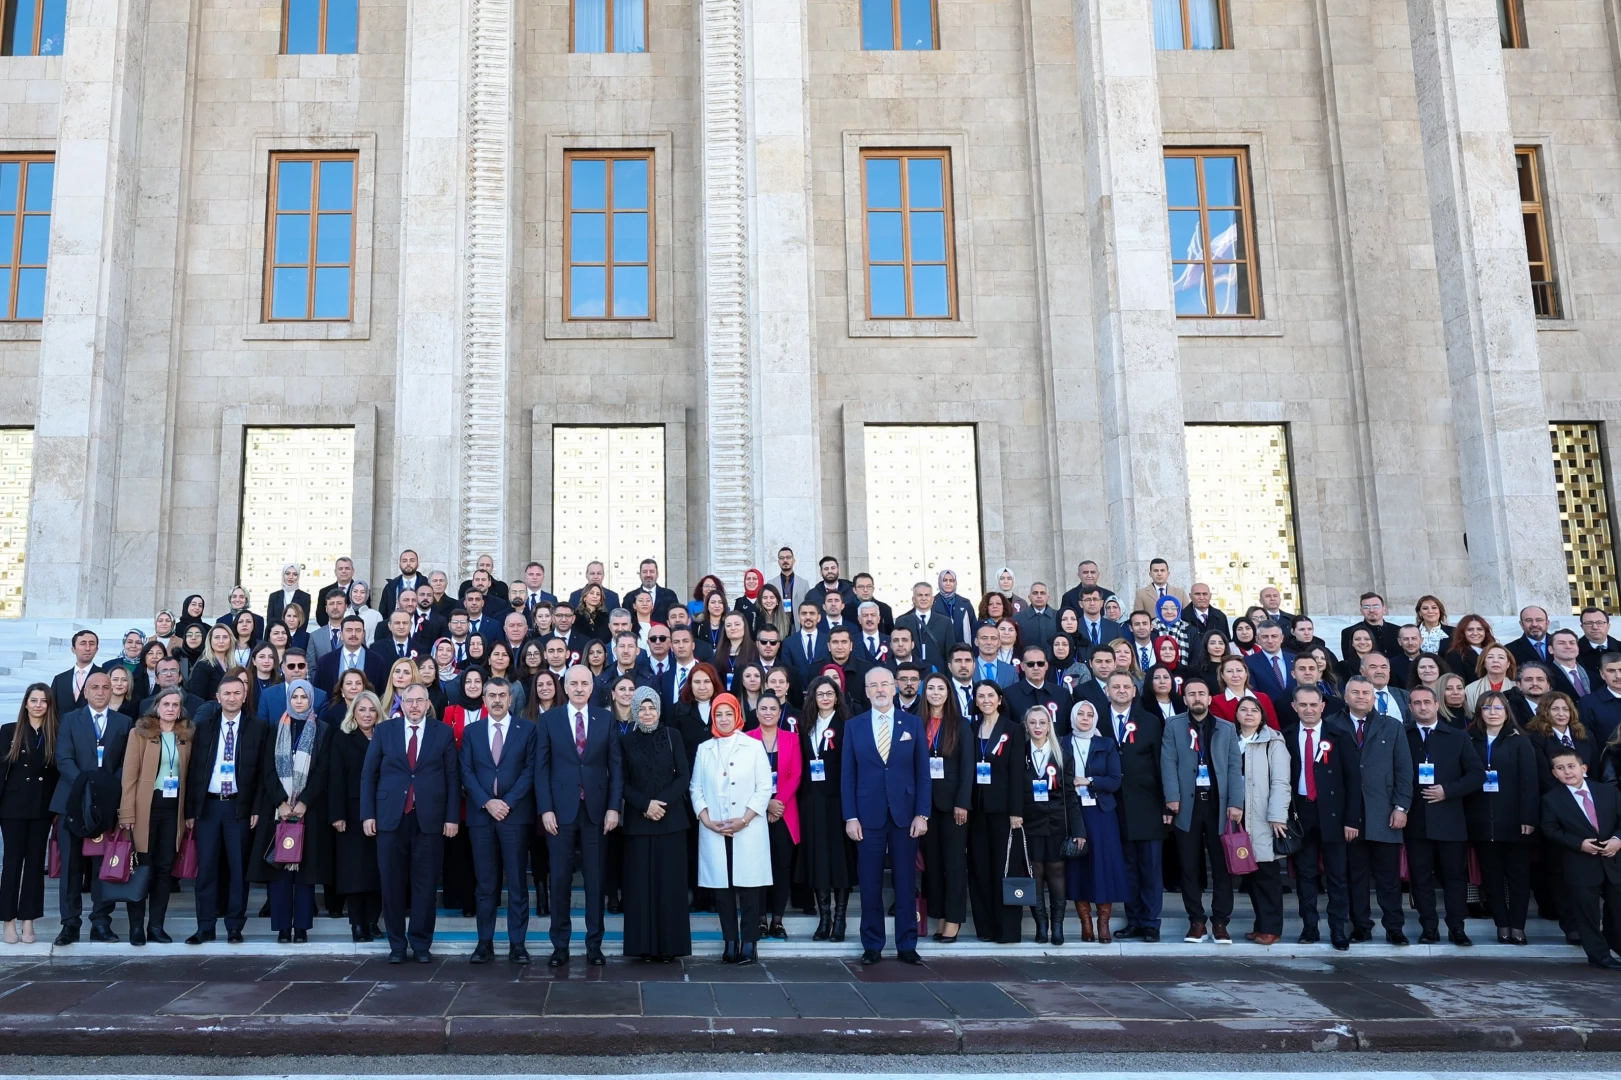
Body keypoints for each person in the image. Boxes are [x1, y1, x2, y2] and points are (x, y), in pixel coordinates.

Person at [362, 682, 460, 963]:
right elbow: (369, 774)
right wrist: (368, 814)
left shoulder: (442, 732)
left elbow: (452, 777)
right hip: (390, 818)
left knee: (425, 885)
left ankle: (420, 944)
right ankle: (396, 945)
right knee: (391, 883)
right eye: (409, 701)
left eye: (419, 701)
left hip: (429, 819)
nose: (414, 705)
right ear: (401, 704)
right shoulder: (384, 730)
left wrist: (451, 817)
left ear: (428, 704)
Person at [841, 667, 932, 964]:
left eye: (884, 684)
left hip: (906, 814)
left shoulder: (913, 723)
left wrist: (922, 813)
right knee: (869, 884)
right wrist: (850, 817)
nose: (880, 689)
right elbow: (848, 776)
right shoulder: (853, 726)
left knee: (905, 882)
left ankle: (907, 944)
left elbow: (923, 773)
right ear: (866, 691)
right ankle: (872, 944)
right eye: (873, 685)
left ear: (894, 688)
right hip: (867, 816)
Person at [536, 665, 622, 967]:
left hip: (597, 811)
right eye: (574, 683)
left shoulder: (606, 719)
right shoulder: (549, 720)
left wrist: (614, 807)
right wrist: (545, 809)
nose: (579, 688)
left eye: (585, 683)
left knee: (595, 881)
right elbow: (541, 769)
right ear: (565, 686)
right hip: (559, 812)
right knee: (560, 879)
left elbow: (616, 768)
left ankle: (594, 945)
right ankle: (560, 945)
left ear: (592, 687)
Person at [51, 671, 132, 945]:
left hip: (105, 805)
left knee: (102, 866)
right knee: (71, 867)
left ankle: (100, 922)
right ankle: (70, 924)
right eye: (94, 687)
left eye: (105, 687)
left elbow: (126, 762)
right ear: (85, 692)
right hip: (71, 802)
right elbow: (63, 758)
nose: (100, 691)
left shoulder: (124, 722)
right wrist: (86, 785)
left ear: (112, 691)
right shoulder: (70, 719)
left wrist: (103, 788)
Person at [183, 671, 263, 945]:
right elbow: (193, 771)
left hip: (239, 808)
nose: (231, 698)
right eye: (226, 693)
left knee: (238, 870)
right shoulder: (204, 727)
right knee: (206, 869)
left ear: (244, 696)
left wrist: (256, 808)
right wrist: (191, 811)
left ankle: (234, 926)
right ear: (217, 697)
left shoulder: (257, 727)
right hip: (208, 807)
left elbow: (262, 773)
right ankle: (205, 926)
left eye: (237, 693)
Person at [1161, 678, 1243, 944]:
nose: (1197, 697)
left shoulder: (1226, 728)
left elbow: (1234, 767)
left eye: (1201, 693)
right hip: (1187, 805)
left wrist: (1236, 802)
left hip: (1219, 805)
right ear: (1184, 699)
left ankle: (1220, 922)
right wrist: (1172, 798)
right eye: (1191, 694)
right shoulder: (1173, 725)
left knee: (1222, 867)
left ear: (1209, 699)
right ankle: (1196, 921)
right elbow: (1168, 762)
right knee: (1188, 866)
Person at [692, 692, 772, 964]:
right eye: (718, 714)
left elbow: (764, 788)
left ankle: (749, 943)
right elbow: (695, 788)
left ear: (737, 715)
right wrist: (706, 820)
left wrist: (745, 819)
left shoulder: (753, 746)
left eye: (728, 713)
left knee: (749, 888)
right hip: (715, 828)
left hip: (746, 827)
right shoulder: (704, 749)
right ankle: (730, 941)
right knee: (722, 890)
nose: (724, 719)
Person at [460, 677, 535, 964]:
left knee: (516, 883)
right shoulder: (472, 731)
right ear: (484, 699)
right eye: (491, 695)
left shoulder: (526, 729)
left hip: (514, 816)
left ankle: (518, 944)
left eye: (502, 695)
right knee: (485, 883)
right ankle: (484, 942)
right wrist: (487, 802)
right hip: (481, 816)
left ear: (510, 698)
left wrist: (508, 802)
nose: (497, 700)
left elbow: (530, 770)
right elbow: (465, 771)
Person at [1404, 684, 1484, 945]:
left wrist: (1448, 791)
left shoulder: (1458, 737)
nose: (1423, 707)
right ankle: (1429, 928)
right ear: (1410, 707)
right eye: (1417, 703)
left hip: (1450, 819)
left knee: (1454, 878)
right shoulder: (1402, 736)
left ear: (1437, 705)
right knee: (1421, 879)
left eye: (1427, 702)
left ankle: (1457, 928)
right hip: (1415, 820)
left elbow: (1477, 774)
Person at [115, 688, 193, 944]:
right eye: (166, 704)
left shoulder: (186, 736)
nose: (170, 708)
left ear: (180, 710)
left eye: (175, 705)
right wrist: (126, 813)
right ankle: (136, 927)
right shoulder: (140, 733)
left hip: (173, 810)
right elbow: (129, 777)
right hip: (144, 809)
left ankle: (156, 926)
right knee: (142, 867)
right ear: (157, 707)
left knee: (164, 869)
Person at [619, 686, 691, 961]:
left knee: (670, 886)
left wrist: (661, 803)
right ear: (635, 711)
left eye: (652, 708)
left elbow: (683, 775)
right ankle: (644, 947)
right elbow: (622, 781)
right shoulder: (626, 741)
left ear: (659, 710)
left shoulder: (673, 736)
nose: (647, 713)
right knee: (641, 887)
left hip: (671, 822)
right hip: (639, 823)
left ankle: (670, 947)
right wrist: (645, 805)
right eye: (642, 708)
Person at [1284, 684, 1359, 949]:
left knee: (1337, 875)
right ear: (1294, 707)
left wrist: (1352, 820)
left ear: (1322, 706)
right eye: (1303, 705)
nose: (1308, 709)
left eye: (1313, 704)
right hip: (1301, 813)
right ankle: (1309, 928)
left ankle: (1338, 930)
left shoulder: (1339, 735)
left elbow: (1353, 781)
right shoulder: (1286, 736)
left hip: (1333, 814)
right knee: (1305, 874)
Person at [1464, 690, 1539, 945]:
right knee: (1491, 876)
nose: (1493, 713)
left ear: (1507, 712)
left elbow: (1529, 783)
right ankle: (1502, 925)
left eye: (1498, 708)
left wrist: (1528, 817)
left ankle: (1518, 926)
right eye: (1487, 708)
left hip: (1515, 821)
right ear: (1479, 712)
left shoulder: (1520, 742)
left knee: (1518, 877)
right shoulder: (1469, 740)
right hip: (1481, 820)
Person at [1343, 675, 1414, 944]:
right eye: (1355, 692)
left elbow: (1404, 770)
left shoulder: (1392, 726)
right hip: (1349, 816)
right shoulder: (1334, 725)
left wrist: (1401, 806)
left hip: (1385, 813)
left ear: (1374, 697)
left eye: (1366, 692)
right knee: (1356, 876)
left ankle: (1394, 928)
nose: (1361, 697)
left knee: (1389, 877)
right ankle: (1361, 927)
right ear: (1346, 697)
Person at [1540, 746, 1621, 969]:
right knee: (1587, 912)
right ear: (1554, 773)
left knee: (1617, 908)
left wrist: (1618, 840)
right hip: (1581, 864)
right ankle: (1598, 955)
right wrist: (1579, 844)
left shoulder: (1607, 792)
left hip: (1613, 861)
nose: (1567, 772)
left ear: (1583, 768)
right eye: (1560, 768)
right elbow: (1550, 829)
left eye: (1571, 766)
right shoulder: (1551, 800)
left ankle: (1616, 943)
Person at [966, 680, 1027, 943]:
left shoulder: (1013, 729)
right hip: (976, 811)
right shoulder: (970, 728)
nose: (986, 700)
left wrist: (1016, 811)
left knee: (1004, 869)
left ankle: (1007, 930)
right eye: (981, 696)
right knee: (980, 869)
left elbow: (1017, 774)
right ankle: (986, 928)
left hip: (1004, 812)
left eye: (991, 695)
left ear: (1000, 699)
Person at [1018, 704, 1084, 946]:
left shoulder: (1062, 755)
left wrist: (1079, 830)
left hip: (1056, 821)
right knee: (1035, 871)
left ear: (1049, 726)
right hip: (1029, 822)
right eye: (1032, 722)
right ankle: (1041, 926)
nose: (1037, 727)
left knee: (1056, 871)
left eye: (1042, 722)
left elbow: (1070, 795)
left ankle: (1057, 927)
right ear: (1026, 726)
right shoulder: (1020, 754)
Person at [1061, 700, 1125, 942]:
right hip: (1072, 811)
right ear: (1073, 717)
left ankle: (1103, 923)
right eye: (1080, 714)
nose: (1085, 718)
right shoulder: (1062, 742)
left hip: (1101, 812)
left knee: (1104, 865)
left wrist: (1089, 781)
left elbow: (1114, 780)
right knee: (1078, 866)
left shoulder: (1106, 744)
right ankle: (1085, 922)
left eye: (1090, 714)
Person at [797, 675, 854, 940]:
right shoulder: (806, 724)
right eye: (820, 694)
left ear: (837, 697)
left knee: (840, 861)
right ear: (813, 697)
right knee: (818, 859)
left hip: (839, 800)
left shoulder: (847, 725)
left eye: (829, 694)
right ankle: (824, 919)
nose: (825, 698)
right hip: (812, 801)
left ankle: (840, 920)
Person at [1230, 697, 1290, 944]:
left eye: (1254, 710)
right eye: (1243, 709)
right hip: (1237, 816)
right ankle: (1260, 925)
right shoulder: (1230, 740)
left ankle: (1272, 928)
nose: (1249, 714)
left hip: (1264, 816)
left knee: (1267, 875)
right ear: (1236, 715)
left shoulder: (1273, 742)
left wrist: (1277, 815)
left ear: (1262, 715)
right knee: (1250, 875)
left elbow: (1281, 781)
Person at [0, 685, 58, 945]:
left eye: (43, 701)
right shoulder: (9, 731)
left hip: (41, 807)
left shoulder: (54, 733)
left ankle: (28, 920)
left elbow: (56, 774)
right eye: (33, 700)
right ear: (25, 703)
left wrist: (56, 808)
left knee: (35, 864)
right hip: (12, 806)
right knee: (12, 861)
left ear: (49, 705)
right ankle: (8, 920)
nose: (38, 705)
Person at [917, 673, 972, 944]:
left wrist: (963, 802)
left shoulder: (960, 724)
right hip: (925, 805)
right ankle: (938, 915)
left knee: (954, 863)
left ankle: (954, 919)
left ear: (948, 693)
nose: (936, 693)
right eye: (931, 688)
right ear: (924, 693)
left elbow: (967, 767)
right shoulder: (916, 722)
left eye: (941, 688)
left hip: (953, 806)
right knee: (933, 864)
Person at [328, 690, 383, 942]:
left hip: (382, 810)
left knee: (378, 869)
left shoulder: (386, 737)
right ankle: (357, 924)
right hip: (351, 813)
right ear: (353, 713)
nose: (367, 714)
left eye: (372, 710)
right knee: (354, 870)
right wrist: (337, 814)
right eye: (362, 709)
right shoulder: (342, 738)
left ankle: (373, 921)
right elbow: (335, 778)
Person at [749, 691, 801, 939]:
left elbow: (796, 774)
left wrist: (777, 803)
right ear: (756, 712)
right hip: (755, 813)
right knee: (757, 866)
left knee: (782, 866)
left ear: (780, 713)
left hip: (784, 811)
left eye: (773, 709)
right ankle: (760, 919)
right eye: (763, 708)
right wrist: (766, 804)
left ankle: (777, 920)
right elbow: (745, 778)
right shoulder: (746, 739)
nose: (768, 713)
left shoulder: (792, 739)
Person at [53, 630, 101, 717]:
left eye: (92, 644)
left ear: (96, 649)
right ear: (73, 649)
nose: (87, 648)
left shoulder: (104, 675)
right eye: (83, 643)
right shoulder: (59, 680)